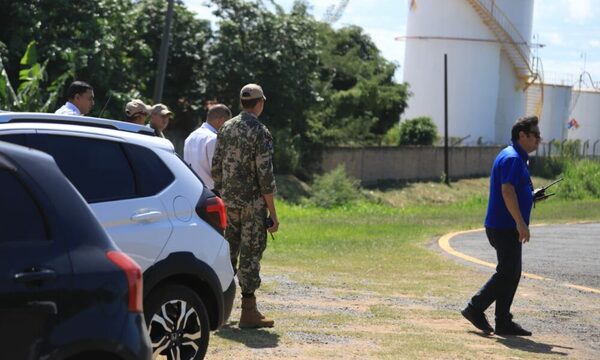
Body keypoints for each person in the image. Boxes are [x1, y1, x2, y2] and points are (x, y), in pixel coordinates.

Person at [462, 115, 542, 336]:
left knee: (512, 272)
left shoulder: (515, 157)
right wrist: (520, 222)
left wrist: (531, 197)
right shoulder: (513, 158)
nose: (539, 139)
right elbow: (506, 191)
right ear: (522, 135)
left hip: (505, 225)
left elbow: (514, 190)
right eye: (535, 135)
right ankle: (475, 308)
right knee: (507, 272)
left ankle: (503, 321)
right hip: (505, 225)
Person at [212, 84, 279, 329]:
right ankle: (248, 312)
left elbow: (216, 166)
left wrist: (222, 194)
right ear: (260, 103)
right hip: (252, 205)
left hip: (228, 203)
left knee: (228, 252)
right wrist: (272, 213)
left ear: (242, 102)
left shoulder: (226, 128)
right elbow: (265, 176)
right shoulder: (260, 131)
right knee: (250, 255)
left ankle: (218, 309)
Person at [184, 104, 232, 190]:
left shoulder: (190, 137)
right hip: (211, 194)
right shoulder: (214, 138)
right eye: (228, 123)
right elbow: (217, 172)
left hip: (192, 191)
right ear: (221, 121)